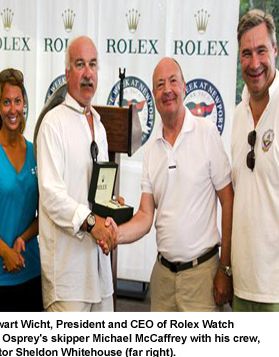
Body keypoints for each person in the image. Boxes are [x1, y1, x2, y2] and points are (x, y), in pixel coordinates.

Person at [107, 57, 233, 312]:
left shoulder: (207, 133)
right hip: (162, 278)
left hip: (202, 278)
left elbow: (228, 201)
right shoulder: (152, 151)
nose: (167, 90)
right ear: (153, 95)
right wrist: (114, 235)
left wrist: (225, 268)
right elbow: (145, 215)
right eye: (160, 84)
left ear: (184, 86)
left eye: (173, 81)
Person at [36, 36, 116, 312]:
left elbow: (98, 191)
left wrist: (111, 212)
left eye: (92, 65)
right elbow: (51, 196)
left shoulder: (100, 126)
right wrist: (93, 223)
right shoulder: (53, 123)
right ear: (67, 73)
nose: (87, 73)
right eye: (79, 65)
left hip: (99, 269)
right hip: (68, 276)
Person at [0, 68, 42, 312]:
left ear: (24, 103)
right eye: (6, 102)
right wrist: (6, 253)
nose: (12, 109)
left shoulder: (36, 152)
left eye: (17, 101)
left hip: (31, 269)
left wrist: (22, 239)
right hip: (0, 273)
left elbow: (43, 214)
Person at [231, 9, 279, 311]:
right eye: (246, 54)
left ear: (275, 50)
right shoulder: (238, 115)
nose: (254, 63)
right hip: (242, 285)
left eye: (261, 50)